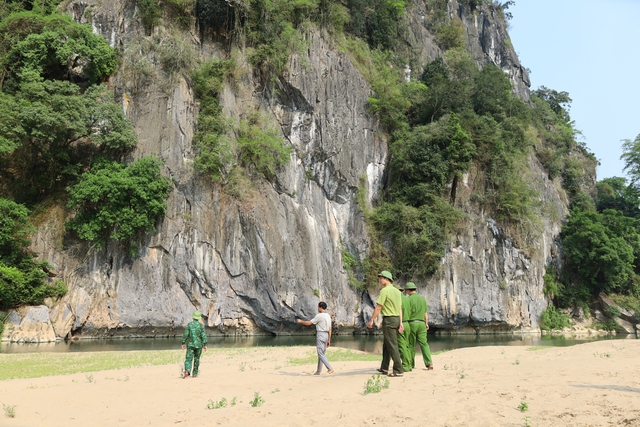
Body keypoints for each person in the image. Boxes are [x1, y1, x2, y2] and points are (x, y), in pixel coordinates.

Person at [367, 270, 404, 377]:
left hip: (389, 319)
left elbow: (379, 307)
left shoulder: (384, 291)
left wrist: (371, 320)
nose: (379, 280)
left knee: (392, 344)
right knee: (387, 344)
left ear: (387, 279)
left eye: (381, 278)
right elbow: (400, 308)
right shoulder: (397, 291)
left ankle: (398, 369)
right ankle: (384, 367)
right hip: (396, 318)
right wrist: (400, 322)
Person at [296, 302, 335, 375]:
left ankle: (330, 368)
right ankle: (318, 371)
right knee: (322, 353)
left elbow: (309, 323)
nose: (317, 308)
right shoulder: (328, 316)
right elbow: (330, 329)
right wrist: (329, 339)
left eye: (318, 307)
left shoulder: (319, 316)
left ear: (320, 307)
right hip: (326, 335)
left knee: (320, 353)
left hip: (321, 334)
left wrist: (301, 321)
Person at [406, 282, 433, 370]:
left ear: (408, 290)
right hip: (422, 323)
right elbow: (426, 313)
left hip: (412, 323)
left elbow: (407, 313)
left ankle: (411, 364)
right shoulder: (422, 299)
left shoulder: (408, 299)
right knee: (424, 344)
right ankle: (429, 363)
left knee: (411, 344)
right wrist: (426, 323)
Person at [181, 311, 208, 379]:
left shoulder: (189, 325)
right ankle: (195, 374)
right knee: (197, 359)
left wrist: (183, 343)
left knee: (188, 359)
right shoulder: (201, 326)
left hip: (190, 345)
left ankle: (187, 371)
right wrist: (205, 345)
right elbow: (203, 336)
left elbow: (186, 335)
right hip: (199, 345)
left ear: (193, 317)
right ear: (198, 318)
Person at [397, 283, 413, 373]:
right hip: (408, 324)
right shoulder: (407, 300)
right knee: (407, 345)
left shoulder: (398, 300)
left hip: (401, 324)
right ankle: (409, 364)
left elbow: (399, 312)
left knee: (401, 345)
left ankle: (405, 365)